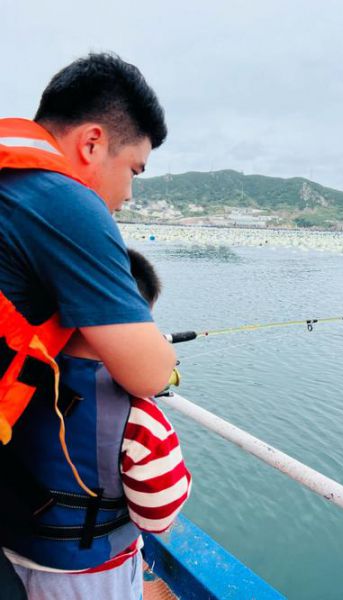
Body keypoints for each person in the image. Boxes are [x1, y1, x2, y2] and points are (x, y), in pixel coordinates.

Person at [0, 53, 176, 597]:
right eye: (134, 171)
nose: (127, 195)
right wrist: (165, 361)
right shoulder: (63, 201)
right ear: (93, 143)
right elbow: (150, 373)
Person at [5, 249, 191, 599]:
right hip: (87, 576)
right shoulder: (141, 418)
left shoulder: (10, 381)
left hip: (11, 552)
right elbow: (159, 516)